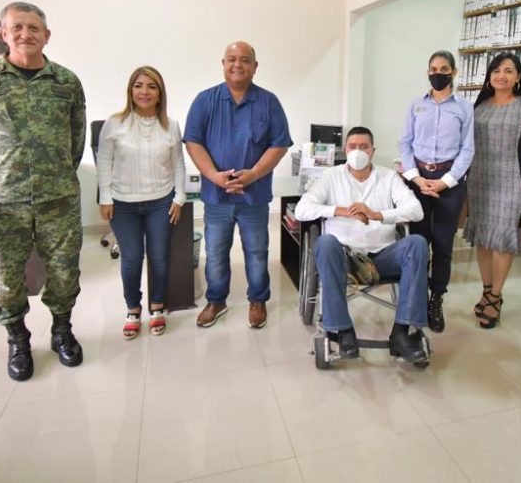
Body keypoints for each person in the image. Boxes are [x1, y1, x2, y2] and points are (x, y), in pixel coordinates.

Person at [0, 2, 85, 381]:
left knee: (64, 271)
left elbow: (76, 139)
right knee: (6, 275)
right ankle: (17, 337)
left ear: (46, 35)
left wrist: (57, 173)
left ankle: (62, 330)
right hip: (2, 200)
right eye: (17, 27)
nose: (25, 34)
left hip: (57, 197)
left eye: (33, 28)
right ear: (3, 33)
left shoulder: (66, 82)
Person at [294, 127, 429, 362]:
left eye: (364, 147)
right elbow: (302, 210)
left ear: (373, 151)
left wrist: (378, 214)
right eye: (353, 147)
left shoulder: (388, 177)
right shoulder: (330, 177)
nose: (358, 151)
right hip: (344, 258)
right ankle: (343, 330)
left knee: (416, 243)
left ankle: (401, 332)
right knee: (325, 243)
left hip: (384, 254)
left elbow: (416, 211)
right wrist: (340, 210)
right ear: (345, 150)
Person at [184, 41, 292, 329]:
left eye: (245, 60)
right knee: (217, 252)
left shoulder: (269, 102)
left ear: (255, 67)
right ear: (223, 64)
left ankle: (258, 300)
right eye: (231, 59)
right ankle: (216, 300)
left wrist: (255, 173)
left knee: (256, 251)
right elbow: (193, 141)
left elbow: (279, 143)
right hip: (216, 196)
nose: (237, 65)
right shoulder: (205, 101)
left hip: (253, 197)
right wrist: (213, 176)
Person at [97, 66, 186, 339]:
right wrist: (105, 197)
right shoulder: (114, 123)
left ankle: (157, 306)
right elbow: (104, 162)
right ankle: (133, 308)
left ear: (160, 94)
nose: (144, 91)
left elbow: (179, 164)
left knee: (159, 257)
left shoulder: (170, 125)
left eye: (151, 86)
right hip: (123, 205)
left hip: (161, 202)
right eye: (139, 85)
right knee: (133, 258)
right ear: (130, 91)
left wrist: (180, 197)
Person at [463, 52, 521, 329]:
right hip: (479, 179)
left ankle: (496, 297)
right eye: (497, 70)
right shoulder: (479, 106)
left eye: (509, 71)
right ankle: (487, 290)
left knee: (503, 237)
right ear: (489, 76)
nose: (502, 75)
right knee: (485, 237)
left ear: (518, 77)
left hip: (512, 179)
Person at [398, 50, 474, 333]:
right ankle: (415, 300)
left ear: (453, 72)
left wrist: (445, 182)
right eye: (432, 68)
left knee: (442, 245)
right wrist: (417, 179)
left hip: (449, 182)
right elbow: (404, 143)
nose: (437, 73)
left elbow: (468, 149)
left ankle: (436, 299)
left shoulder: (464, 108)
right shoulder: (416, 105)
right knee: (417, 243)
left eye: (443, 68)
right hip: (417, 180)